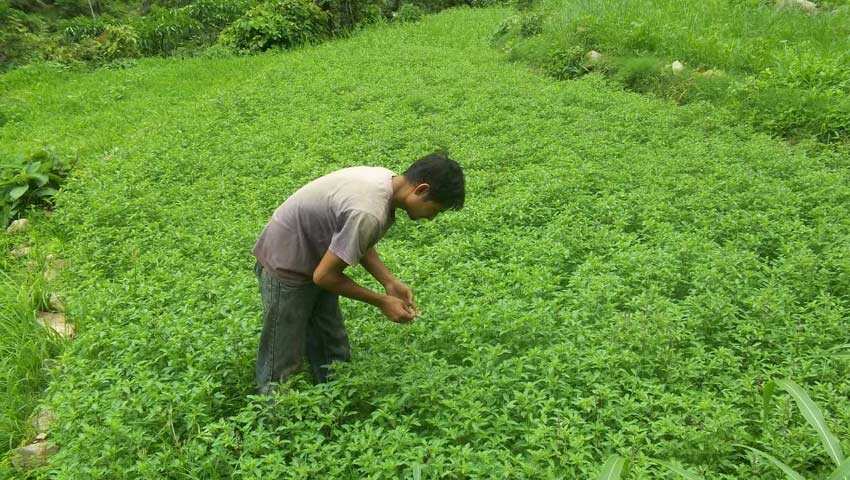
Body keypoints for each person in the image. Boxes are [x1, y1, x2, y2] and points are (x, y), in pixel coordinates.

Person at [252, 151, 465, 394]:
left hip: (315, 255)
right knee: (281, 359)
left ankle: (333, 403)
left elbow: (354, 238)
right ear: (421, 190)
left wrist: (389, 282)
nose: (432, 218)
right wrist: (382, 301)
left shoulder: (386, 181)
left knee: (331, 346)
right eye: (434, 210)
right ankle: (271, 414)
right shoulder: (369, 210)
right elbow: (325, 277)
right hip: (286, 265)